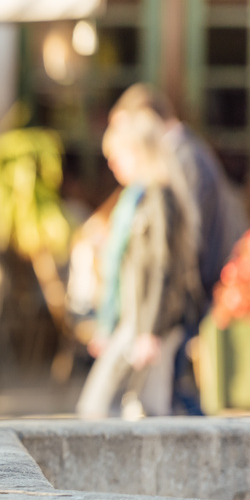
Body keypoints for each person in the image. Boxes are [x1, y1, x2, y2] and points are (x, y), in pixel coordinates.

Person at [107, 84, 250, 412]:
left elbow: (182, 246)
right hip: (192, 293)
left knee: (182, 397)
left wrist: (165, 316)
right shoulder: (186, 152)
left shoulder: (184, 158)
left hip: (197, 292)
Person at [77, 103, 200, 419]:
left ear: (139, 151)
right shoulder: (140, 197)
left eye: (118, 156)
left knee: (115, 407)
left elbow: (162, 268)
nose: (113, 165)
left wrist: (150, 331)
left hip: (148, 321)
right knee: (134, 407)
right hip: (136, 318)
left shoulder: (161, 198)